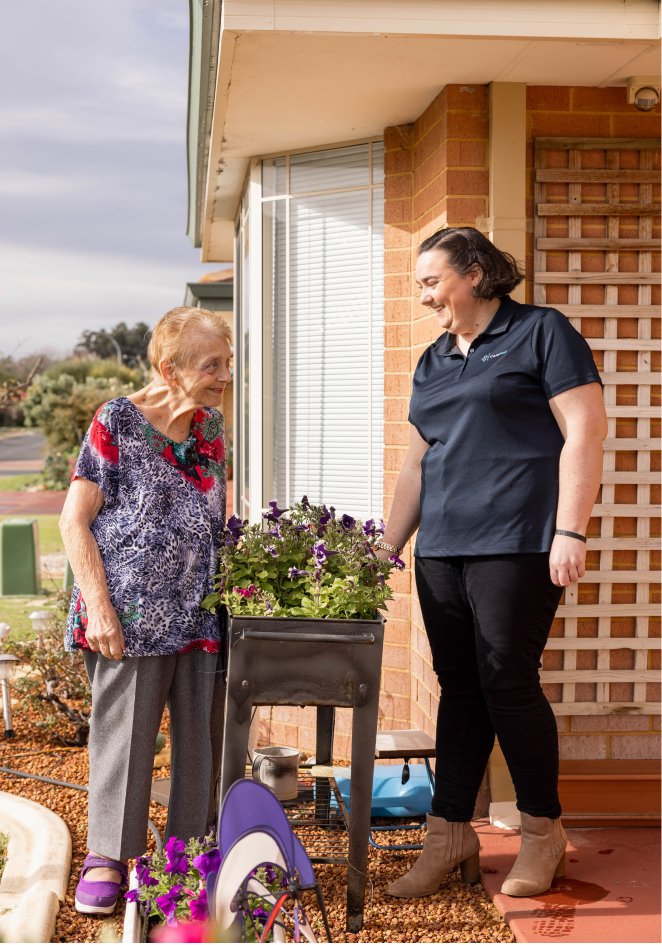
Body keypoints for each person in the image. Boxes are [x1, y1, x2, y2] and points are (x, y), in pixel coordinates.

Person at [374, 227, 607, 899]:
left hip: (519, 539)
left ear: (474, 273)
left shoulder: (542, 333)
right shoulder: (432, 361)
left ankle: (543, 833)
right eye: (419, 285)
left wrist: (572, 529)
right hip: (442, 548)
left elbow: (585, 430)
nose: (423, 297)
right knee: (461, 686)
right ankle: (449, 835)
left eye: (430, 281)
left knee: (507, 679)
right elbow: (417, 465)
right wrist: (386, 548)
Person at [59, 307, 232, 915]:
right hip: (127, 616)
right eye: (213, 365)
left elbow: (212, 522)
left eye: (227, 363)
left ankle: (188, 858)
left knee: (200, 744)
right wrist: (100, 607)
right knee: (125, 737)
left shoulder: (209, 429)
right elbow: (73, 520)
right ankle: (108, 853)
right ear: (170, 367)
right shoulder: (118, 421)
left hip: (197, 612)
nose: (224, 375)